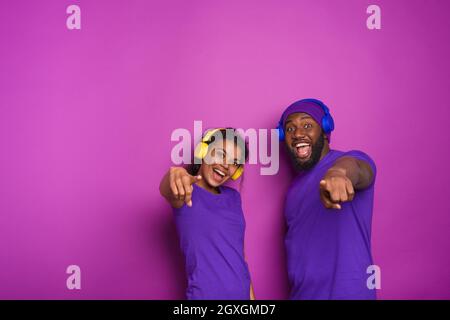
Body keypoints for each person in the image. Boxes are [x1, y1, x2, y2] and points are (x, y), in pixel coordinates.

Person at [277, 99, 377, 299]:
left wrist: (338, 174)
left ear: (324, 129)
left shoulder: (350, 160)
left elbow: (358, 169)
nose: (297, 134)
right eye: (289, 129)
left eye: (307, 125)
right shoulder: (292, 191)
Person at [159, 128, 255, 300]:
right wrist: (175, 176)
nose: (226, 165)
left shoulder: (233, 198)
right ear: (202, 151)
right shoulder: (187, 192)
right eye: (220, 154)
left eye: (234, 162)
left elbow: (240, 257)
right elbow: (167, 189)